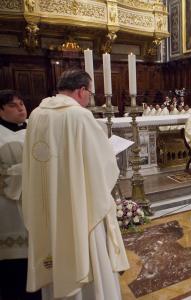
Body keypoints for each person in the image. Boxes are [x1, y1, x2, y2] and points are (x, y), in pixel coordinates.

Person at [22, 70, 129, 299]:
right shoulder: (79, 116)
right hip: (80, 205)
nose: (90, 98)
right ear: (81, 91)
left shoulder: (37, 114)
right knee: (88, 252)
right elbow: (102, 165)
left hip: (48, 202)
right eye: (90, 92)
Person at [0, 90, 40, 300]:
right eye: (13, 105)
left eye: (22, 103)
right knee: (15, 268)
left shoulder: (35, 129)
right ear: (1, 110)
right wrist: (27, 170)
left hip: (37, 202)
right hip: (8, 207)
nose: (21, 108)